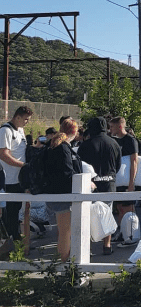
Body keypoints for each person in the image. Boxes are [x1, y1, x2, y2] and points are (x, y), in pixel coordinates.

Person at [39, 120, 82, 261]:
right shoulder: (63, 148)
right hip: (62, 194)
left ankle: (63, 258)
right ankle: (64, 263)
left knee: (63, 231)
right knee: (65, 232)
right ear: (74, 133)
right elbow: (67, 172)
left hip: (54, 193)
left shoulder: (52, 145)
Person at [78, 116, 121, 255]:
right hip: (109, 183)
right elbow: (118, 165)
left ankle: (88, 247)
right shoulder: (114, 143)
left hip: (91, 184)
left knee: (87, 214)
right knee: (107, 214)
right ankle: (107, 245)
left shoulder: (86, 145)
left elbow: (80, 166)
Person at [110, 117, 141, 245]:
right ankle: (122, 231)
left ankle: (132, 234)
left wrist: (132, 182)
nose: (110, 130)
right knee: (120, 207)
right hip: (120, 180)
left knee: (128, 207)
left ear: (119, 127)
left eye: (112, 127)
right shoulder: (114, 140)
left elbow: (134, 161)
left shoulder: (130, 140)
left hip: (128, 179)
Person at [0, 106, 33, 244]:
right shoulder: (5, 131)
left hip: (20, 178)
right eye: (25, 119)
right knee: (11, 212)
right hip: (9, 178)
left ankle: (16, 240)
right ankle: (12, 241)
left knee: (17, 210)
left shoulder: (20, 130)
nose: (27, 122)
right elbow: (3, 154)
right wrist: (23, 166)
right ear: (17, 117)